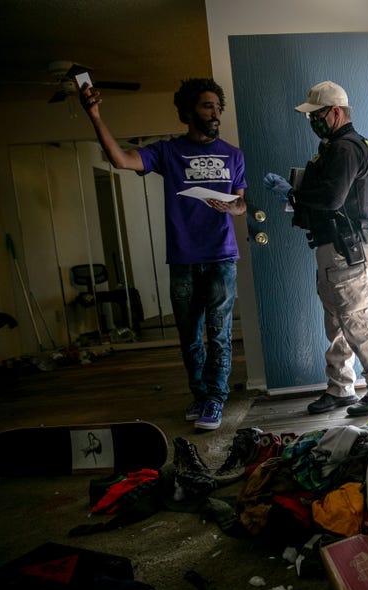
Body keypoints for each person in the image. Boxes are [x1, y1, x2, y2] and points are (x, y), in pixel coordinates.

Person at [79, 78, 247, 431]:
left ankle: (215, 400)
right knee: (189, 336)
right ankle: (200, 396)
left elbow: (242, 202)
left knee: (218, 333)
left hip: (221, 257)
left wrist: (233, 209)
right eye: (207, 106)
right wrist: (94, 115)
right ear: (188, 112)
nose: (215, 113)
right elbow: (121, 159)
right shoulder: (168, 152)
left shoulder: (233, 154)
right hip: (184, 258)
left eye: (218, 107)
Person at [263, 81, 368, 417]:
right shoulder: (334, 147)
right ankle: (341, 389)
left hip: (346, 247)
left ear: (336, 112)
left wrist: (293, 195)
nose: (313, 121)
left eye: (317, 115)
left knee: (357, 319)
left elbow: (331, 198)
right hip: (336, 246)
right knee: (337, 320)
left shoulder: (345, 148)